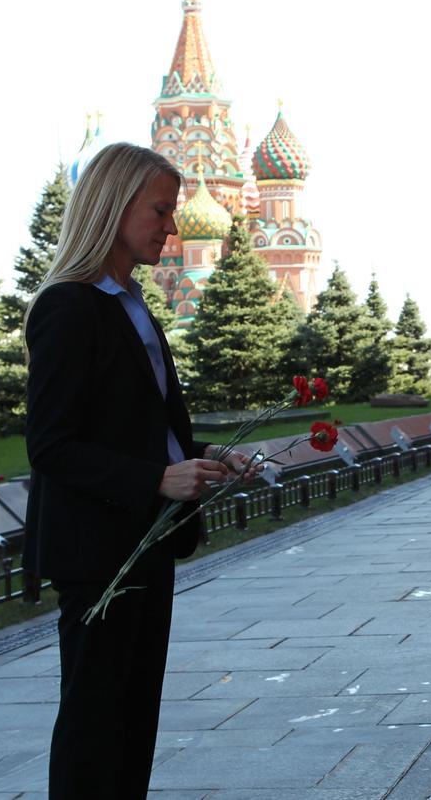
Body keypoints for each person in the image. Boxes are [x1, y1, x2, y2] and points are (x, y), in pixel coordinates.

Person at [23, 143, 254, 799]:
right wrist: (156, 478)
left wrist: (203, 455)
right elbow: (51, 445)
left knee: (131, 724)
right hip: (98, 553)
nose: (172, 227)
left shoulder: (129, 304)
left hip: (144, 541)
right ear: (115, 205)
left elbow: (135, 425)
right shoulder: (69, 307)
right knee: (95, 728)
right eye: (160, 210)